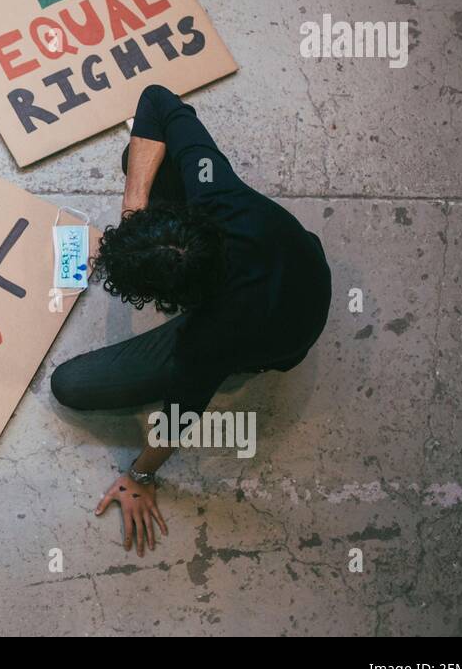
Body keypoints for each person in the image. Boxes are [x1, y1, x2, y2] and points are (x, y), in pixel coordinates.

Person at [50, 84, 331, 556]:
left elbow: (178, 418)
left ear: (174, 304)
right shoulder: (215, 189)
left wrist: (140, 475)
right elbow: (157, 99)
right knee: (137, 158)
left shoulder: (210, 339)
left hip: (279, 336)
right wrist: (134, 208)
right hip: (299, 264)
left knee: (71, 385)